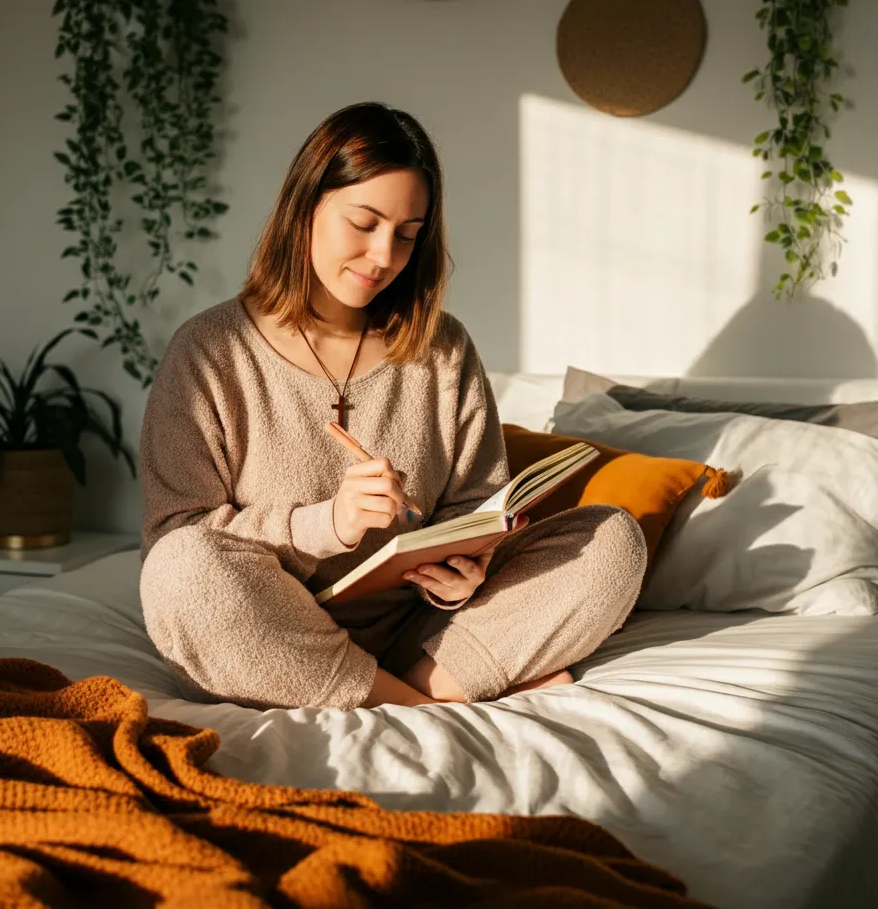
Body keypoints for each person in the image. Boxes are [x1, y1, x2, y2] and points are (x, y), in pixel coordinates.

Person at [139, 102, 647, 711]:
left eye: (407, 235)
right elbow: (177, 534)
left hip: (417, 632)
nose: (384, 256)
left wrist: (463, 578)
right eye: (364, 222)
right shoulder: (210, 351)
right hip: (266, 631)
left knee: (613, 541)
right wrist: (328, 524)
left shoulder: (445, 349)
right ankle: (425, 704)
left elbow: (473, 509)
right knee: (182, 570)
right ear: (306, 207)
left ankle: (394, 689)